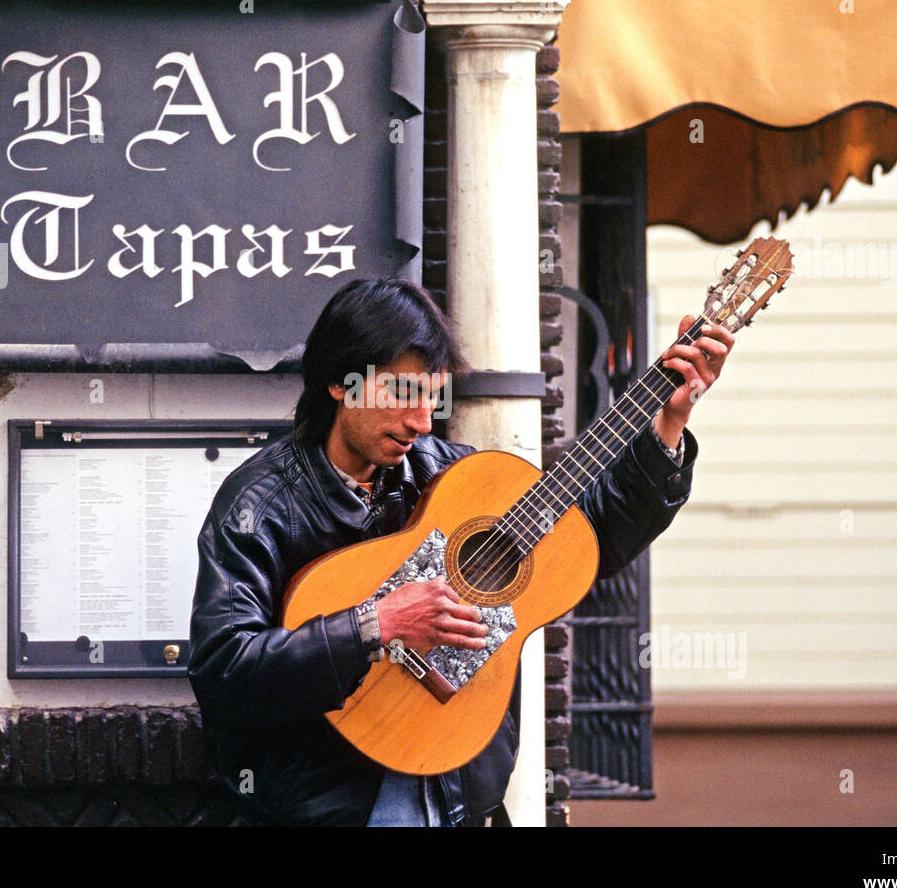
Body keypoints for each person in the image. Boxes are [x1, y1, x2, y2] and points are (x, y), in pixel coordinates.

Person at [187, 277, 732, 826]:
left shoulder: (449, 475)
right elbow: (224, 672)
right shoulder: (261, 504)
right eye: (402, 394)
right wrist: (375, 623)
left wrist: (668, 425)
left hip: (454, 792)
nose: (422, 422)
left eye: (432, 396)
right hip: (328, 804)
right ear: (338, 381)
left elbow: (588, 540)